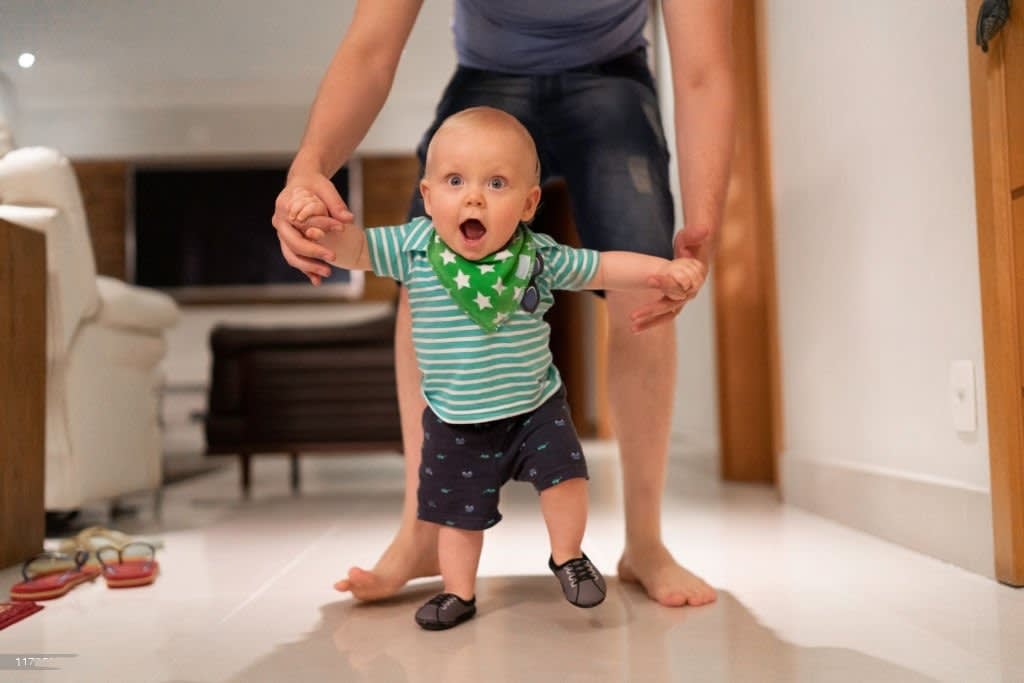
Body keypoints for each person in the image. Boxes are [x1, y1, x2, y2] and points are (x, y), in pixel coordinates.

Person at [271, 1, 734, 608]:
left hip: (612, 76)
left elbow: (703, 69)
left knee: (643, 293)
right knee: (425, 279)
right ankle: (420, 532)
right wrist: (309, 167)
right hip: (489, 73)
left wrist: (701, 228)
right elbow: (371, 49)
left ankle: (645, 540)